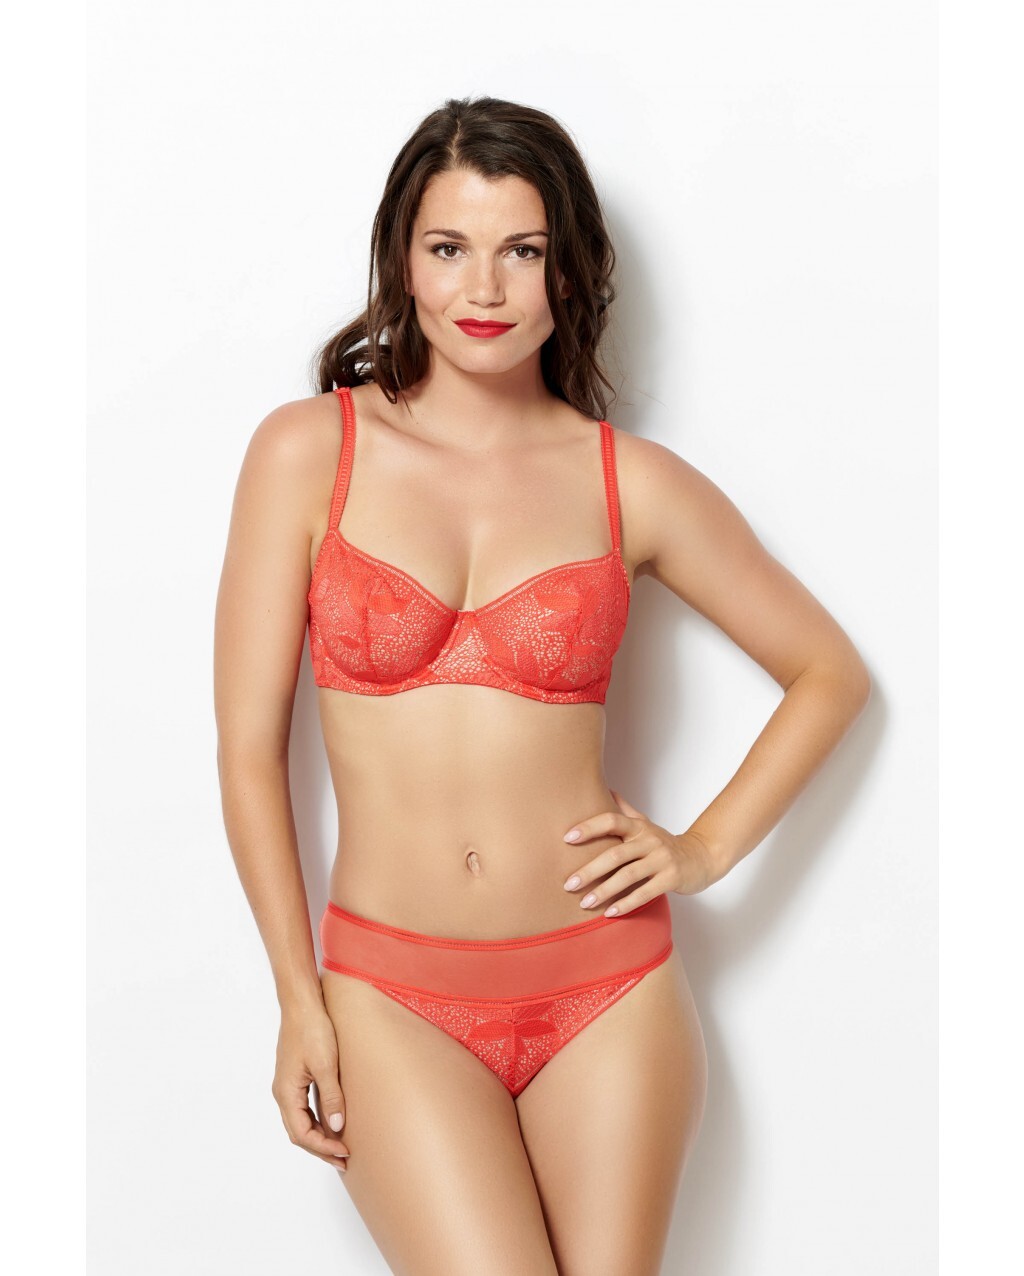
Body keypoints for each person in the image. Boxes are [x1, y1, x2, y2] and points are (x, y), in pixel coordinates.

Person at [213, 95, 871, 1276]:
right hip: (391, 997)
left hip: (608, 991)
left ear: (567, 269)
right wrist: (296, 1000)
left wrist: (703, 850)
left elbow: (827, 672)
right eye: (448, 247)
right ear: (401, 259)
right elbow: (248, 749)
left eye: (521, 250)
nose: (484, 288)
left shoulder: (629, 482)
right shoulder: (307, 452)